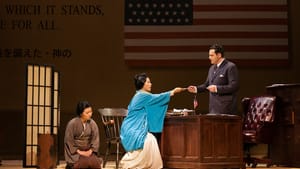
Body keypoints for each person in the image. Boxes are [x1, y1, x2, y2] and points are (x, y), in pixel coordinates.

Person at [120, 73, 185, 169]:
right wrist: (174, 91)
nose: (151, 84)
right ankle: (133, 164)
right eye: (148, 82)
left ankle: (150, 165)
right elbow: (158, 98)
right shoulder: (142, 96)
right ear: (142, 84)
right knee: (149, 140)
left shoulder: (141, 95)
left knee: (151, 139)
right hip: (132, 128)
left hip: (131, 126)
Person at [188, 44, 239, 115]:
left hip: (226, 109)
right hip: (213, 108)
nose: (209, 57)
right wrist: (196, 88)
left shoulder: (230, 66)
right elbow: (207, 84)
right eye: (209, 55)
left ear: (219, 55)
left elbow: (234, 86)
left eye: (211, 55)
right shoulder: (211, 68)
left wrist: (217, 88)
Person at [64, 101, 102, 169]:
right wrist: (80, 152)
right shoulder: (72, 123)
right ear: (81, 113)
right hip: (76, 152)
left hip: (88, 150)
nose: (90, 114)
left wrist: (90, 151)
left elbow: (95, 138)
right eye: (87, 113)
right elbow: (68, 140)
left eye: (91, 112)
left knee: (95, 164)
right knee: (83, 163)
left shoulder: (92, 123)